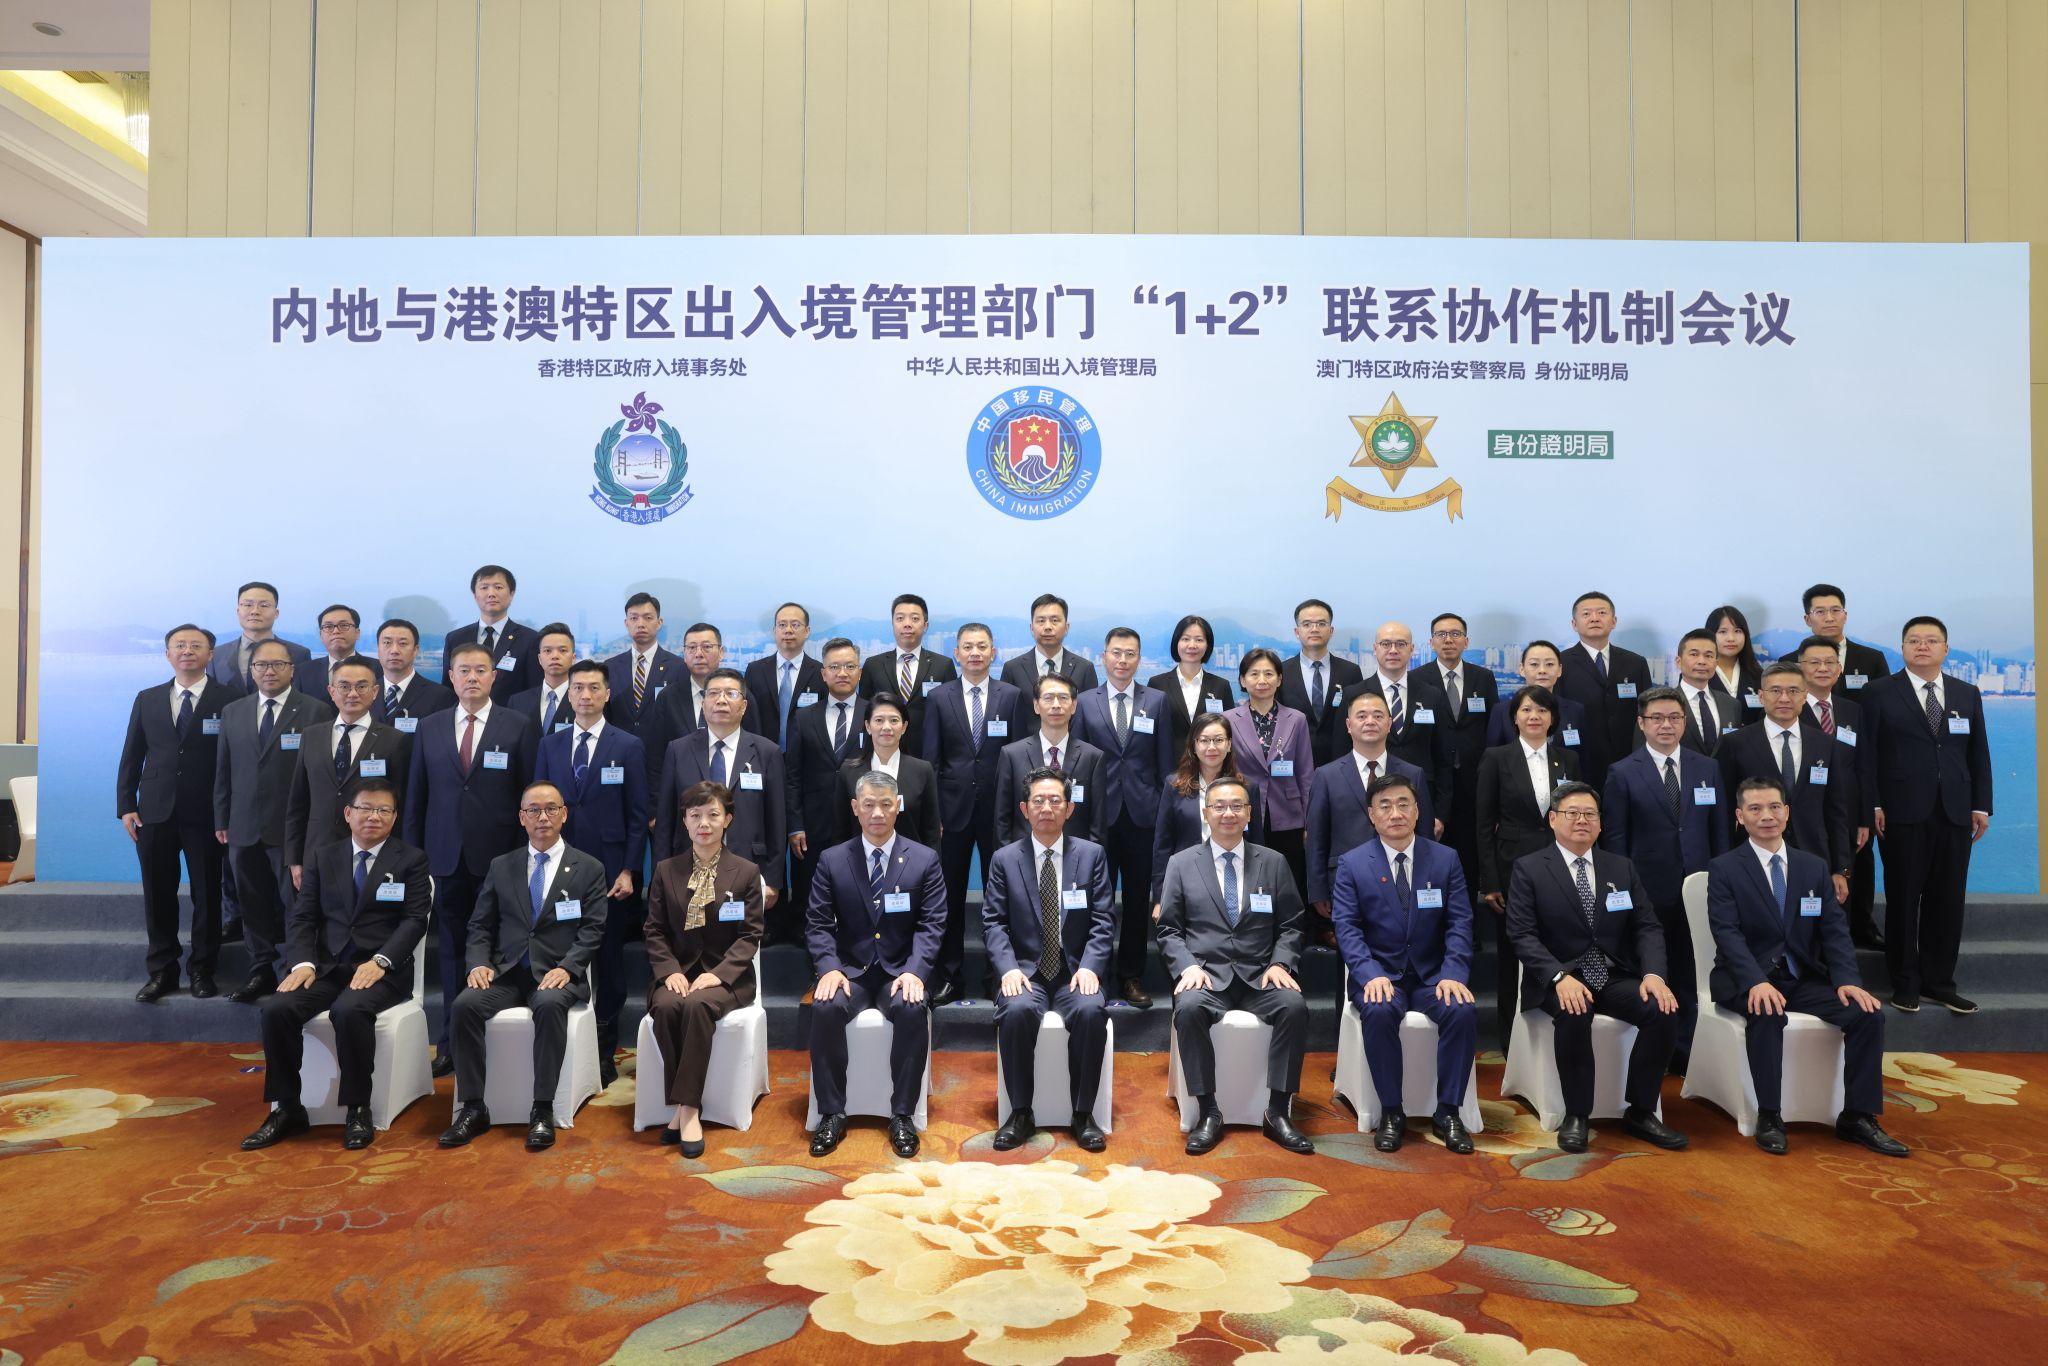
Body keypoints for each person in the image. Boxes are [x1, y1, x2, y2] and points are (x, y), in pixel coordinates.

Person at [1705, 776, 1907, 1158]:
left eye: (1774, 807)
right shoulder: (1725, 868)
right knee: (1766, 1010)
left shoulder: (1812, 867)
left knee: (1866, 1015)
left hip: (1801, 977)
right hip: (1743, 978)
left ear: (1787, 812)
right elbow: (1727, 934)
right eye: (1755, 809)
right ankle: (1770, 1115)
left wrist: (1847, 980)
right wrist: (1755, 982)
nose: (1767, 816)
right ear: (1739, 817)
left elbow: (1834, 931)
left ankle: (1857, 1116)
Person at [240, 778, 430, 1152]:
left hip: (382, 972)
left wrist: (382, 960)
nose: (373, 817)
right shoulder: (324, 857)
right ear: (348, 814)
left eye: (383, 810)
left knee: (350, 1010)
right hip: (327, 969)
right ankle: (287, 1108)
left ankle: (357, 1107)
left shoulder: (410, 860)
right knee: (277, 1009)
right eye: (365, 808)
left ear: (394, 818)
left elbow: (414, 920)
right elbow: (302, 917)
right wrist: (303, 963)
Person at [1506, 782, 1687, 1153]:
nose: (1582, 821)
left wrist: (1654, 974)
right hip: (1559, 979)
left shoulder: (1620, 867)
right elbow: (1522, 934)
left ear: (1601, 824)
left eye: (1590, 814)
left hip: (1612, 975)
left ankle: (1640, 1110)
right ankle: (1577, 1114)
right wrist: (1559, 977)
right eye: (1572, 813)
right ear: (1553, 819)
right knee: (1575, 1011)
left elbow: (1647, 926)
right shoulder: (1529, 869)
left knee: (1662, 1010)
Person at [440, 782, 610, 1152]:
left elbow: (593, 929)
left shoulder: (589, 868)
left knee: (549, 1006)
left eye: (550, 809)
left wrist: (568, 967)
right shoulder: (502, 866)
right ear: (521, 818)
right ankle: (472, 1107)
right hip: (507, 972)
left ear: (564, 814)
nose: (542, 817)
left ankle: (542, 1108)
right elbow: (480, 925)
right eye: (533, 810)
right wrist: (478, 963)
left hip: (556, 973)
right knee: (464, 1006)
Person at [1157, 776, 1313, 1156]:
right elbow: (1168, 929)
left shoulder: (1273, 862)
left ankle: (1278, 1111)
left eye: (1237, 806)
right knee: (1189, 1008)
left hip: (1261, 975)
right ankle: (1208, 1111)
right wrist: (1187, 967)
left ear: (1249, 814)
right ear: (1206, 813)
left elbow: (1293, 923)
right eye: (1220, 807)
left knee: (1294, 1006)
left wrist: (1281, 962)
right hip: (1207, 977)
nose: (1228, 813)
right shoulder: (1181, 864)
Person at [403, 641, 539, 1069]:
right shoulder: (430, 726)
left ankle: (494, 1040)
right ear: (451, 675)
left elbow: (530, 797)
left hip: (501, 859)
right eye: (464, 671)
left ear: (494, 676)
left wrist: (525, 857)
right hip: (445, 859)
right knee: (452, 949)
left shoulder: (518, 725)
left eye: (481, 670)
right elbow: (416, 797)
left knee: (502, 947)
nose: (472, 678)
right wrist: (414, 857)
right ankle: (449, 1042)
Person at [1330, 772, 1478, 1154]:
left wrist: (1453, 974)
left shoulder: (1445, 859)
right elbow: (1346, 928)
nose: (1394, 813)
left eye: (1403, 804)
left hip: (1433, 977)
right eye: (1384, 806)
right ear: (1371, 815)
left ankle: (1448, 1112)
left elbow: (1460, 922)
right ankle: (1392, 1112)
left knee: (1461, 1009)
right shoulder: (1352, 864)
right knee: (1378, 1012)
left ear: (1417, 811)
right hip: (1381, 976)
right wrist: (1368, 974)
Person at [805, 771, 947, 1159]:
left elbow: (932, 924)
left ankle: (901, 1114)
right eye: (869, 804)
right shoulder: (833, 860)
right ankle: (832, 1113)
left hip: (899, 972)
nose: (878, 813)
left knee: (913, 1009)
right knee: (825, 1008)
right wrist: (829, 967)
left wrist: (916, 971)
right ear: (855, 808)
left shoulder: (924, 859)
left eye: (886, 804)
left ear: (898, 807)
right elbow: (818, 922)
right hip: (850, 971)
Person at [1861, 616, 1992, 1014]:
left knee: (1948, 899)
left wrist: (1981, 804)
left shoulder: (1966, 693)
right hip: (1901, 811)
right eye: (1914, 640)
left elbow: (1978, 753)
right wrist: (1874, 804)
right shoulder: (1879, 692)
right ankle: (1905, 982)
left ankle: (1940, 982)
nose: (1923, 646)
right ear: (1901, 648)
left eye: (1932, 640)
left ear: (1946, 649)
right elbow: (1866, 754)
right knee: (1903, 898)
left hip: (1954, 811)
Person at [983, 767, 1117, 1152]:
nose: (1047, 808)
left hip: (1075, 971)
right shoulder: (1005, 859)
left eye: (1055, 800)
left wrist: (1091, 966)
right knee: (1016, 1011)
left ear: (1069, 808)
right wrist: (1007, 969)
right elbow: (993, 922)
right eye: (1038, 801)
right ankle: (1021, 1112)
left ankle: (1083, 1114)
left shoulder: (1091, 856)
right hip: (1026, 972)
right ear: (1024, 809)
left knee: (1093, 1012)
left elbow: (1103, 919)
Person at [533, 659, 648, 1086]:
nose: (584, 695)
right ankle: (566, 1044)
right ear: (568, 694)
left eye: (593, 688)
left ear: (606, 694)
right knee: (564, 954)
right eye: (577, 688)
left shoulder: (628, 745)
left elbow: (638, 816)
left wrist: (629, 869)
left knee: (609, 961)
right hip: (562, 870)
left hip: (611, 874)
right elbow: (539, 810)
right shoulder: (551, 745)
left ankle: (604, 1047)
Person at [1600, 687, 1726, 1068]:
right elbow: (1616, 840)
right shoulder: (1622, 772)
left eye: (1674, 718)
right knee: (1653, 969)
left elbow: (1719, 832)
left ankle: (1687, 1053)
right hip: (1647, 890)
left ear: (1684, 722)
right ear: (1642, 724)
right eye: (1657, 718)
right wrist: (1622, 892)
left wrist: (1718, 881)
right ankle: (1655, 1046)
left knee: (1692, 970)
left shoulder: (1708, 768)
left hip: (1698, 888)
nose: (1666, 725)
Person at [642, 780, 765, 1157]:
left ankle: (687, 1110)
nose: (704, 823)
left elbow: (750, 934)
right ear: (684, 821)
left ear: (727, 819)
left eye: (713, 814)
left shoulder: (744, 873)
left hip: (727, 978)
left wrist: (721, 973)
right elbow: (654, 929)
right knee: (665, 1005)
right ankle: (685, 1104)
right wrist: (669, 972)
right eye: (695, 815)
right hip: (678, 971)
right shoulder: (666, 870)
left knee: (697, 1006)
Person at [120, 624, 238, 1002]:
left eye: (196, 645)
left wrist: (228, 812)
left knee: (208, 894)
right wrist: (126, 806)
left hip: (206, 813)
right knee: (158, 894)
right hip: (154, 811)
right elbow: (132, 754)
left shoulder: (229, 699)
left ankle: (203, 970)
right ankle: (162, 971)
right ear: (168, 654)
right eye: (179, 645)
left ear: (210, 655)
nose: (187, 651)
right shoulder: (147, 698)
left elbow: (235, 761)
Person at [213, 639, 333, 1003]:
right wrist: (222, 817)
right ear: (251, 670)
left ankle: (299, 968)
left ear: (292, 670)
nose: (269, 671)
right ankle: (260, 967)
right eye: (261, 665)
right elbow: (224, 770)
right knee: (252, 904)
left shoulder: (315, 710)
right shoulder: (234, 711)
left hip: (291, 830)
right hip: (243, 826)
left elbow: (320, 777)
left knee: (297, 904)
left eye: (277, 665)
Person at [1070, 628, 1173, 1010]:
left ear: (1139, 658)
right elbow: (1077, 762)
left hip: (1143, 816)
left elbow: (1164, 764)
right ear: (1103, 656)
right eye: (1116, 653)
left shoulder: (1157, 701)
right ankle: (1089, 973)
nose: (1122, 660)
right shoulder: (1084, 701)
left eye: (1130, 654)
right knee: (1093, 900)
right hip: (1097, 817)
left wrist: (1163, 813)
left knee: (1134, 902)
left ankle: (1130, 976)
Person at [1474, 685, 1581, 1046]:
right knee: (1512, 956)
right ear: (1515, 717)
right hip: (1511, 869)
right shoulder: (1496, 757)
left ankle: (1556, 1030)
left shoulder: (1568, 760)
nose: (1534, 716)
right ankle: (1510, 1040)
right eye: (1526, 710)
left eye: (1542, 710)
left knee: (1559, 947)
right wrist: (1490, 881)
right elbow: (1483, 823)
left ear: (1553, 718)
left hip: (1560, 867)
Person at [923, 623, 1023, 1003]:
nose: (976, 653)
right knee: (948, 895)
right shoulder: (939, 698)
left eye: (983, 646)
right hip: (952, 812)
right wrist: (935, 816)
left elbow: (1019, 757)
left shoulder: (1011, 696)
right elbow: (931, 761)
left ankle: (999, 975)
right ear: (956, 653)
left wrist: (1016, 812)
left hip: (998, 811)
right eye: (968, 647)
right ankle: (950, 974)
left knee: (1003, 896)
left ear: (994, 653)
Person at [1715, 662, 1856, 909]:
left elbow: (1836, 811)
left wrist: (1841, 869)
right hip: (1753, 856)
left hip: (1813, 854)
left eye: (1793, 691)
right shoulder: (1735, 743)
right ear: (1761, 696)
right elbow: (1724, 809)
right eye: (1775, 690)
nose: (1784, 698)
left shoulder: (1825, 744)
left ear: (1804, 696)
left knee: (1811, 934)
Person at [651, 668, 787, 900]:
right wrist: (661, 875)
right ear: (703, 705)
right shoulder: (678, 749)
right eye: (713, 693)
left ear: (743, 706)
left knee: (742, 933)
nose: (721, 700)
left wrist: (772, 880)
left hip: (748, 865)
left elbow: (777, 821)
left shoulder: (767, 752)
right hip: (686, 864)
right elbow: (665, 820)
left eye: (730, 694)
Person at [1306, 690, 1435, 921]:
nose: (1370, 722)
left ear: (1389, 723)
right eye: (1362, 716)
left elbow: (1425, 836)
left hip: (1403, 877)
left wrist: (1427, 883)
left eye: (1377, 716)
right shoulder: (1326, 776)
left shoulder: (1412, 774)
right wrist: (1317, 890)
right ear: (1348, 724)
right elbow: (1316, 838)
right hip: (1346, 882)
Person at [285, 657, 412, 887]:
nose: (352, 693)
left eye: (361, 686)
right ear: (331, 691)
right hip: (317, 851)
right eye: (344, 686)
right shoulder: (311, 736)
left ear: (375, 692)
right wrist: (295, 859)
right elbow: (298, 802)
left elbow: (400, 806)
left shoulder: (394, 740)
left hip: (372, 853)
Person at [1793, 634, 1880, 948]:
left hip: (1844, 817)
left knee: (1843, 889)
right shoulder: (1788, 708)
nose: (1822, 668)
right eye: (1814, 662)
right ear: (1800, 668)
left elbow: (1864, 767)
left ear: (1840, 668)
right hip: (1801, 817)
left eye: (1829, 662)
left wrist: (1863, 818)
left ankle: (1841, 959)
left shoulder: (1852, 711)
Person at [785, 638, 869, 943]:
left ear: (859, 672)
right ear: (823, 674)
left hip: (860, 824)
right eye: (834, 667)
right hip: (812, 828)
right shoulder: (804, 717)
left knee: (858, 899)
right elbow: (792, 775)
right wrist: (795, 825)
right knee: (813, 900)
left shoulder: (875, 715)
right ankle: (815, 970)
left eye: (849, 666)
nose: (842, 673)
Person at [1151, 712, 1267, 915]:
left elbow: (1257, 843)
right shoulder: (1174, 785)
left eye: (1219, 740)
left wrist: (1259, 890)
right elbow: (1163, 846)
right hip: (1187, 878)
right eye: (1204, 740)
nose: (1211, 747)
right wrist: (1160, 898)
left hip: (1234, 875)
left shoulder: (1247, 788)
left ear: (1229, 744)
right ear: (1194, 746)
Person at [1225, 647, 1315, 902]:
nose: (1262, 680)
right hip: (1244, 811)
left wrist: (1309, 821)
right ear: (1242, 680)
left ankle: (1290, 935)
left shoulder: (1296, 719)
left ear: (1279, 679)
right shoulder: (1229, 719)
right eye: (1254, 674)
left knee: (1289, 879)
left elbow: (1306, 773)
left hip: (1287, 813)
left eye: (1268, 673)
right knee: (1249, 878)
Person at [641, 622, 768, 792]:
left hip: (734, 795)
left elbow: (754, 749)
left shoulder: (740, 695)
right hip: (684, 801)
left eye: (707, 647)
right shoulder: (668, 697)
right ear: (684, 654)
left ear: (721, 652)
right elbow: (656, 757)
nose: (699, 654)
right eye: (692, 648)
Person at [1420, 612, 1498, 882]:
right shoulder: (1417, 678)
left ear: (1466, 641)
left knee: (1470, 850)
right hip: (1433, 779)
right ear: (1431, 642)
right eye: (1441, 635)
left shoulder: (1484, 678)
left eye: (1455, 634)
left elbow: (1492, 726)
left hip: (1474, 778)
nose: (1448, 640)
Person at [1350, 621, 1453, 818]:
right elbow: (1342, 754)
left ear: (1412, 649)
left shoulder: (1432, 695)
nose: (1393, 650)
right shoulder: (1354, 695)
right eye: (1386, 644)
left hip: (1420, 799)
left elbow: (1443, 758)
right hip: (1367, 798)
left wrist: (1440, 814)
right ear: (1375, 648)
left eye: (1401, 644)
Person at [1554, 592, 1654, 790]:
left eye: (1601, 612)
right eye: (1586, 614)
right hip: (1581, 759)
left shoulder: (1635, 663)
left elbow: (1648, 713)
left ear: (1614, 621)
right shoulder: (1560, 664)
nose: (1594, 618)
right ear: (1574, 624)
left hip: (1629, 760)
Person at [994, 673, 1103, 848]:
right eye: (1048, 698)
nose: (1056, 705)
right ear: (1036, 705)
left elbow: (1097, 825)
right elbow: (1002, 820)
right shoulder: (1011, 755)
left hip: (1076, 859)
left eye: (1063, 698)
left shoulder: (1093, 757)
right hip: (1023, 857)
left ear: (1074, 705)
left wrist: (1088, 863)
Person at [831, 693, 941, 848]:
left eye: (894, 720)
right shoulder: (848, 772)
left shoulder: (922, 771)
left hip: (911, 865)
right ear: (868, 726)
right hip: (859, 864)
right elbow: (840, 832)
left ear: (904, 727)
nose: (887, 727)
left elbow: (932, 833)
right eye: (879, 720)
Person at [860, 593, 957, 755]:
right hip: (882, 751)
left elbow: (951, 715)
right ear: (892, 624)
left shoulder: (944, 665)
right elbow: (864, 711)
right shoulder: (873, 665)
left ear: (925, 625)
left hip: (927, 752)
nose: (907, 624)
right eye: (900, 618)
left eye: (914, 619)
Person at [1278, 597, 1364, 767]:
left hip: (1341, 761)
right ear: (1297, 631)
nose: (1314, 629)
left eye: (1321, 624)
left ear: (1331, 630)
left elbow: (1357, 717)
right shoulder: (1281, 672)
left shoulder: (1351, 672)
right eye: (1307, 624)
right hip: (1294, 761)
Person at [999, 594, 1100, 734]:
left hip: (1073, 750)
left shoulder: (1084, 668)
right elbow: (1006, 717)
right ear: (1031, 627)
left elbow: (1091, 718)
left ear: (1066, 627)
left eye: (1054, 620)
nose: (1047, 627)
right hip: (1024, 752)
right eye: (1041, 621)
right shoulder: (1012, 669)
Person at [1146, 613, 1236, 766]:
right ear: (1177, 643)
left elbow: (1228, 733)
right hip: (1169, 768)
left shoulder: (1221, 686)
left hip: (1211, 768)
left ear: (1208, 645)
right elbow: (1151, 734)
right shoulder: (1157, 684)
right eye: (1186, 639)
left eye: (1199, 640)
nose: (1192, 645)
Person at [442, 564, 539, 704]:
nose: (491, 593)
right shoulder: (456, 638)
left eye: (498, 587)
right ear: (475, 595)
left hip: (511, 721)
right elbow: (448, 689)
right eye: (484, 587)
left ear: (511, 594)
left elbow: (533, 691)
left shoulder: (530, 639)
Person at [744, 601, 824, 750]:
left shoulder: (820, 672)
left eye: (795, 625)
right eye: (782, 625)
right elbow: (747, 715)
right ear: (774, 630)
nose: (788, 630)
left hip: (807, 756)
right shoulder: (755, 671)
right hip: (762, 753)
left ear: (807, 631)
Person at [604, 592, 685, 739]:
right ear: (626, 623)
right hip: (619, 753)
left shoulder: (678, 667)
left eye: (648, 618)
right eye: (634, 618)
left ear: (659, 623)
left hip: (661, 753)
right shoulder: (610, 667)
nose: (640, 624)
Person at [1485, 640, 1589, 752]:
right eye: (1534, 664)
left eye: (1549, 664)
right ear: (1522, 669)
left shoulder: (1575, 711)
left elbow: (1583, 759)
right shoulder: (1501, 711)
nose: (1542, 670)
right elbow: (1493, 759)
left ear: (1559, 670)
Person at [210, 580, 311, 693]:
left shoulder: (299, 654)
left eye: (264, 605)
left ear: (276, 613)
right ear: (238, 611)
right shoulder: (216, 655)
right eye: (248, 605)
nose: (255, 611)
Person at [1789, 583, 1892, 692]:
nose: (1829, 618)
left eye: (1835, 610)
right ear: (1808, 620)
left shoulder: (1873, 659)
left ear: (1845, 616)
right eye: (1820, 612)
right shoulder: (1790, 662)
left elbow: (1885, 701)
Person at [370, 618, 454, 731]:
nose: (394, 650)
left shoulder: (440, 696)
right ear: (378, 649)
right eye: (387, 643)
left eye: (403, 643)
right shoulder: (365, 692)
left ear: (416, 650)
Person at [1672, 628, 1741, 755]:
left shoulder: (1731, 705)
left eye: (1709, 656)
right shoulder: (1664, 703)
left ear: (1716, 663)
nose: (1702, 661)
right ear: (1679, 662)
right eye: (1694, 654)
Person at [507, 623, 578, 737]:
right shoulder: (518, 702)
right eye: (548, 651)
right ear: (540, 659)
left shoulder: (584, 700)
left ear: (573, 658)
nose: (555, 656)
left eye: (562, 650)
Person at [298, 604, 379, 699]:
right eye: (328, 627)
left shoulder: (378, 669)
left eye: (344, 625)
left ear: (357, 633)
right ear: (321, 635)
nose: (336, 631)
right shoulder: (302, 672)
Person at [1705, 605, 1765, 725]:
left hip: (1750, 741)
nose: (1731, 638)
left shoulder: (1758, 675)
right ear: (1710, 635)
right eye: (1723, 632)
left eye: (1737, 631)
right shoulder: (1699, 674)